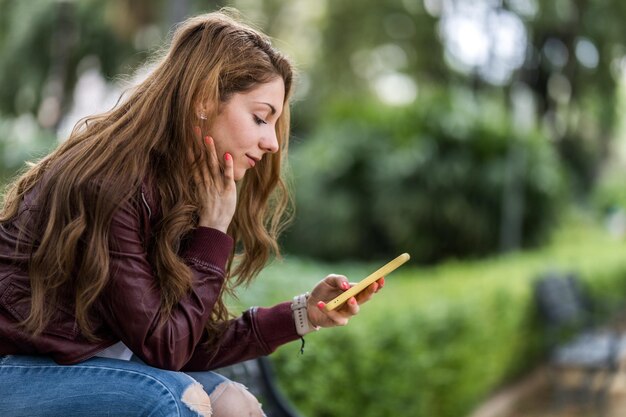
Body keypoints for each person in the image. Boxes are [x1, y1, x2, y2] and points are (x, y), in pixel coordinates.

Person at [0, 8, 384, 417]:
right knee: (174, 398)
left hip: (84, 365)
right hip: (16, 368)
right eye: (259, 118)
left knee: (237, 405)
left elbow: (185, 340)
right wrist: (213, 231)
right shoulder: (109, 185)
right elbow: (166, 350)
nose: (272, 142)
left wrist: (303, 315)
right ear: (203, 100)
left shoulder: (179, 186)